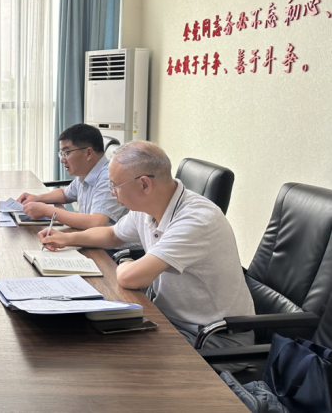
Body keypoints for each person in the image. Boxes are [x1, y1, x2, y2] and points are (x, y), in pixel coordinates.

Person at [40, 141, 255, 353]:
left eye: (115, 186)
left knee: (107, 352)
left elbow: (130, 278)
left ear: (144, 184)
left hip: (213, 338)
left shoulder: (197, 219)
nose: (113, 193)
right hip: (169, 318)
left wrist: (125, 263)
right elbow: (112, 235)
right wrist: (67, 238)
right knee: (87, 333)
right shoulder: (147, 208)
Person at [17, 123, 127, 229]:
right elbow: (64, 194)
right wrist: (37, 198)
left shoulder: (109, 178)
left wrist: (47, 211)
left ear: (88, 153)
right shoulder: (85, 173)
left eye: (67, 153)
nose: (62, 160)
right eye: (61, 154)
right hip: (89, 237)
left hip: (107, 242)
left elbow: (96, 222)